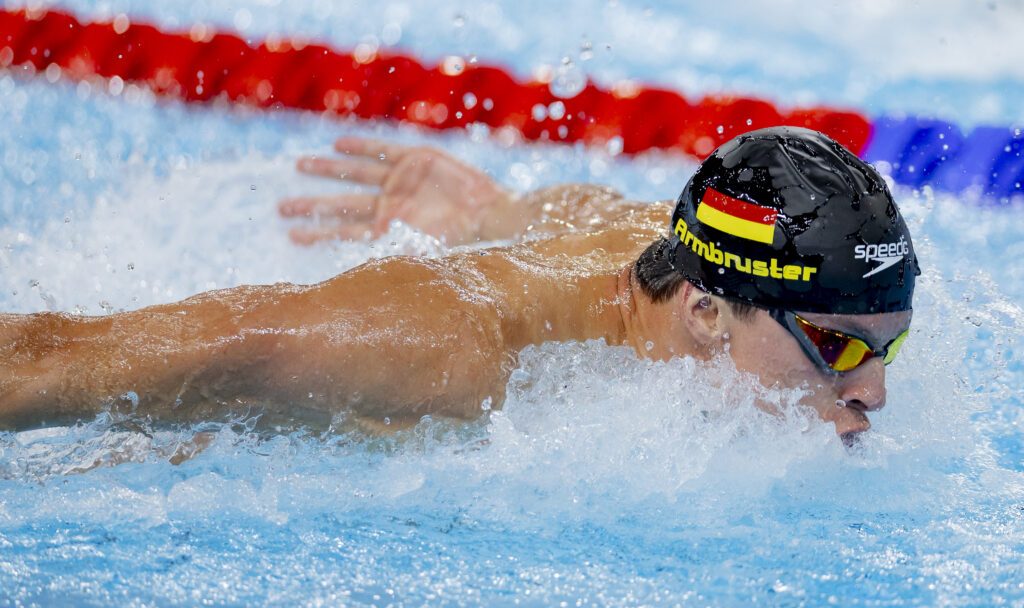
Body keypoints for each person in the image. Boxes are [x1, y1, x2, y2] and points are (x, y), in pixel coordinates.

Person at [0, 127, 918, 442]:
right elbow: (45, 360)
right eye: (835, 346)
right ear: (706, 310)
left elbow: (595, 211)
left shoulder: (678, 253)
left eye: (888, 347)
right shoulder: (448, 350)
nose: (872, 390)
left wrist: (493, 213)